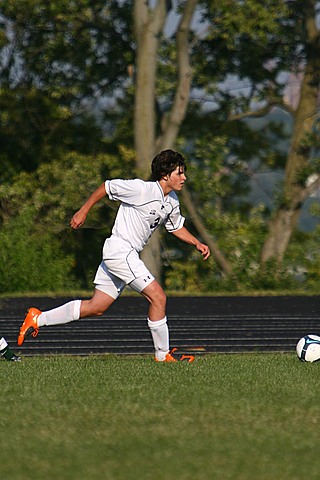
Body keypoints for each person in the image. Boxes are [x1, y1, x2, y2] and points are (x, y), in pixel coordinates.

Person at [17, 149, 210, 362]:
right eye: (180, 173)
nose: (184, 178)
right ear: (165, 175)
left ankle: (38, 318)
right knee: (158, 297)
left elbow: (175, 227)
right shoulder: (141, 189)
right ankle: (163, 355)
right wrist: (83, 211)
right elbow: (107, 187)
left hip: (123, 255)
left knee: (96, 307)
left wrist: (197, 242)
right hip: (120, 251)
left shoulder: (172, 200)